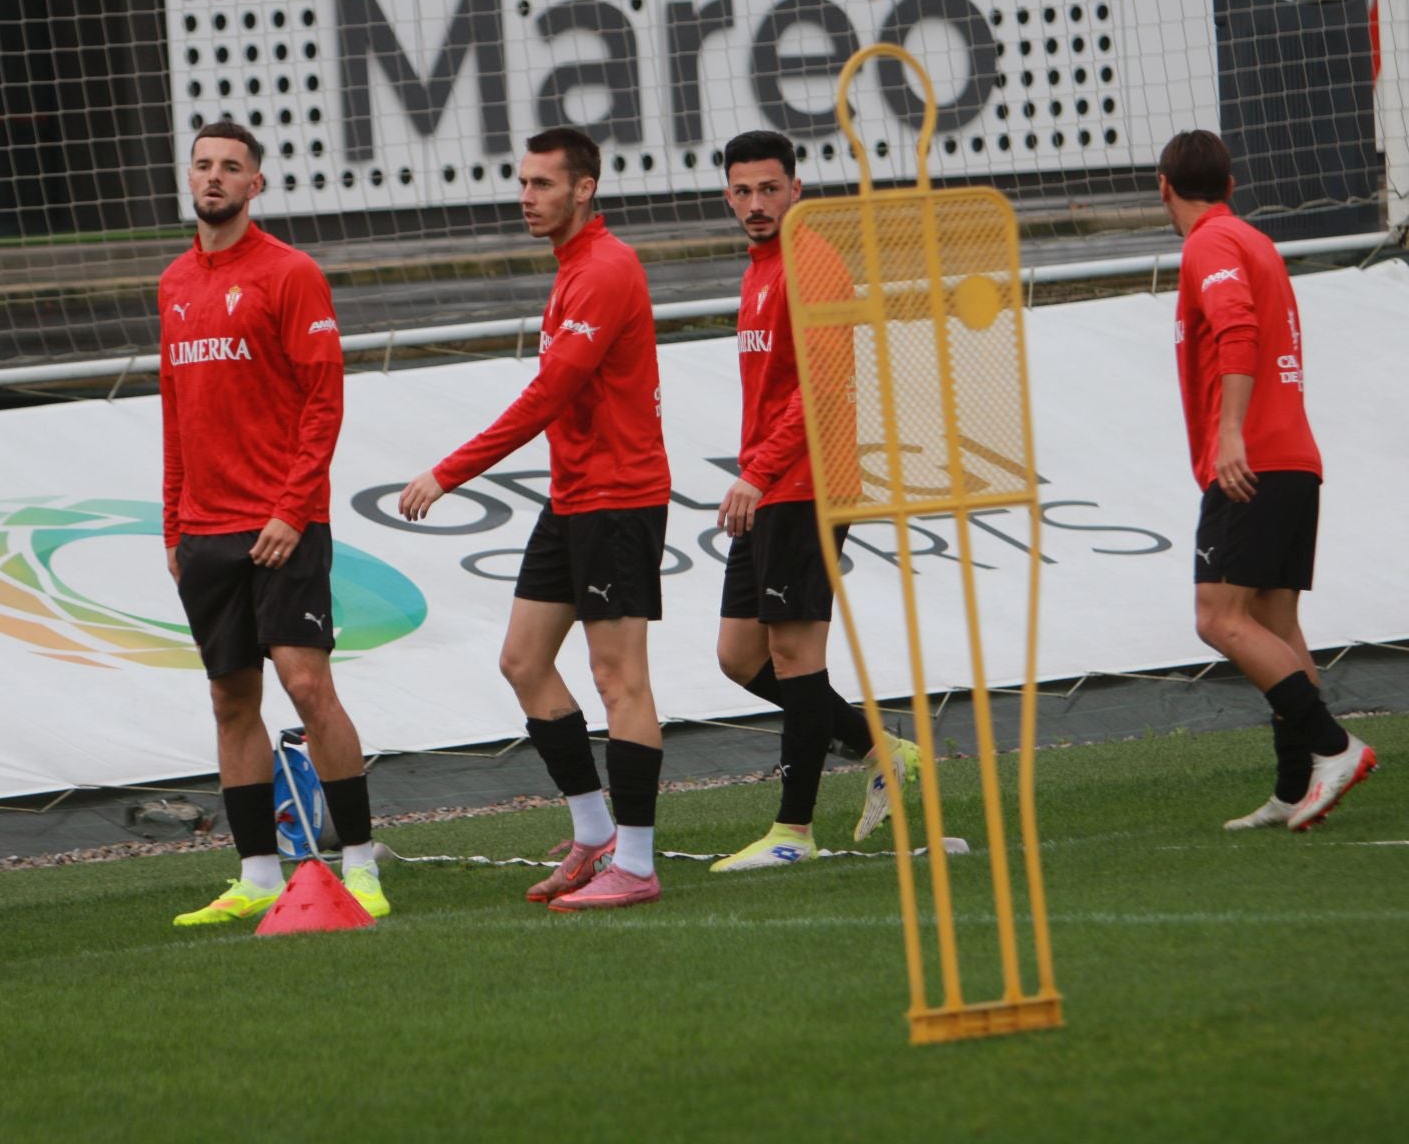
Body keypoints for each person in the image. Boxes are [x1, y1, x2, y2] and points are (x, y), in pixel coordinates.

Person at [399, 127, 671, 912]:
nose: (527, 197)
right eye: (522, 184)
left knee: (621, 678)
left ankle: (639, 863)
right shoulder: (571, 271)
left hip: (619, 498)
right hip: (575, 497)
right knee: (523, 661)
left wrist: (448, 471)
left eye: (542, 185)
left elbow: (548, 394)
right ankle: (594, 834)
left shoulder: (606, 269)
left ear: (583, 189)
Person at [160, 121, 389, 926]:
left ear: (256, 185)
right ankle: (257, 874)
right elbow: (176, 414)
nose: (214, 177)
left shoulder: (291, 275)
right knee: (230, 701)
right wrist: (172, 527)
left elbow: (324, 402)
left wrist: (293, 510)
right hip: (205, 531)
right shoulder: (175, 283)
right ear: (189, 176)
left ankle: (360, 862)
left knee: (306, 686)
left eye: (230, 167)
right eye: (203, 165)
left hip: (281, 526)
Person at [705, 131, 919, 871]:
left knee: (796, 655)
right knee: (739, 657)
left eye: (769, 189)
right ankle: (879, 748)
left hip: (807, 485)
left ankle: (793, 834)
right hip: (772, 485)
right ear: (727, 195)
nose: (756, 204)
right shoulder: (759, 268)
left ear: (796, 188)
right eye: (743, 191)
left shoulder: (813, 261)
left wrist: (757, 473)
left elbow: (824, 390)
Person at [1158, 130, 1375, 831]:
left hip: (1252, 462)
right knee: (1274, 625)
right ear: (1231, 182)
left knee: (1217, 617)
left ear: (1165, 187)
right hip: (1292, 461)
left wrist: (1229, 435)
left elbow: (1238, 331)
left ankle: (1334, 747)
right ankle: (1294, 787)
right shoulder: (1252, 240)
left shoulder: (1210, 245)